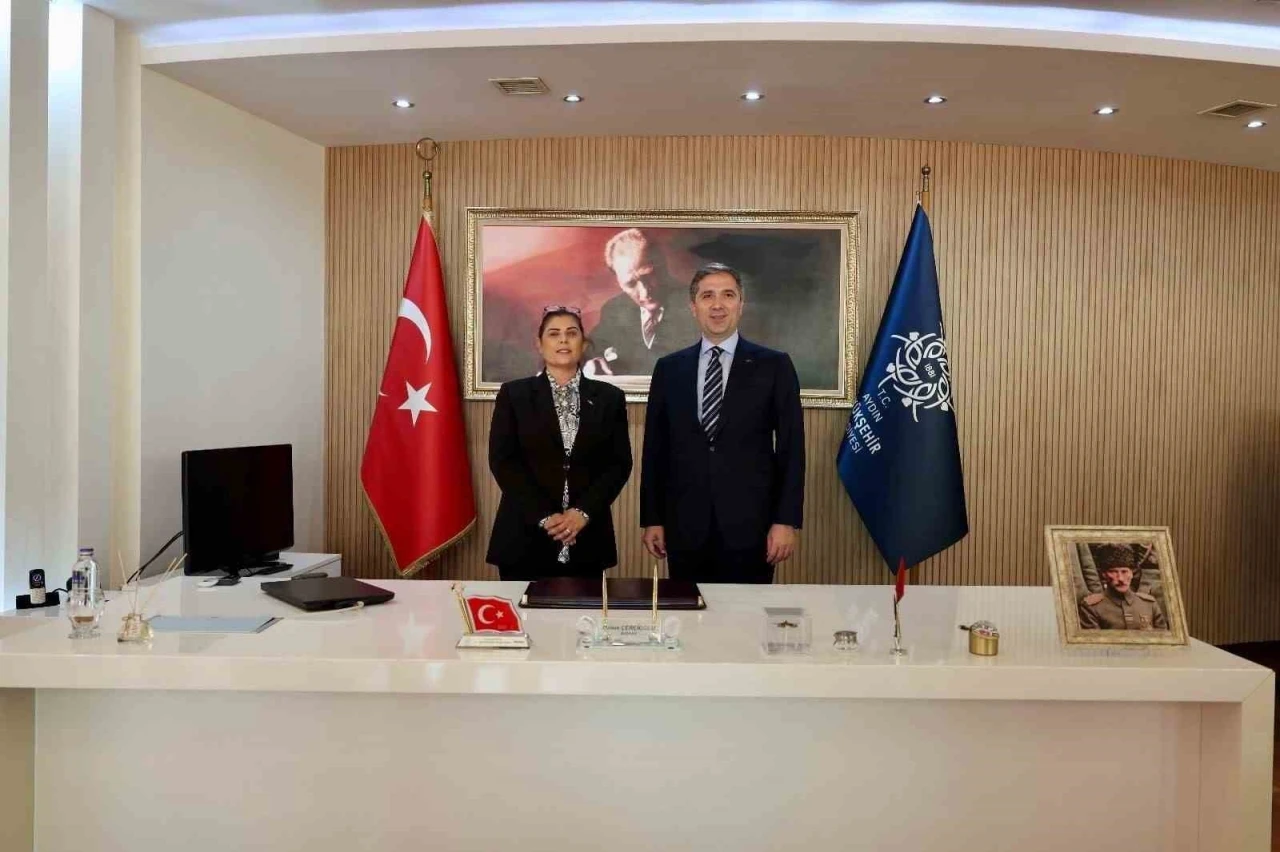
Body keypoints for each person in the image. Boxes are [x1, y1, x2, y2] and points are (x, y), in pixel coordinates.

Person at [639, 263, 805, 584]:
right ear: (693, 307)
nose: (718, 305)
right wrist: (652, 519)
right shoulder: (669, 369)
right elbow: (655, 451)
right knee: (689, 610)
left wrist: (785, 520)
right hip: (684, 527)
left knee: (746, 613)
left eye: (728, 295)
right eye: (707, 296)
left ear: (741, 304)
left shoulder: (774, 366)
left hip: (752, 528)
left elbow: (792, 450)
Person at [486, 307, 633, 580]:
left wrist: (582, 513)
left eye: (571, 333)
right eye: (554, 334)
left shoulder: (609, 397)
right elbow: (503, 461)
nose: (563, 340)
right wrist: (545, 517)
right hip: (524, 536)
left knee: (583, 609)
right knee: (526, 608)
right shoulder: (514, 394)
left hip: (587, 537)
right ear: (539, 344)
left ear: (584, 344)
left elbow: (618, 464)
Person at [588, 228, 697, 376]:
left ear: (662, 265)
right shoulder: (614, 309)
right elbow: (589, 350)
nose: (645, 292)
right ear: (618, 282)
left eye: (648, 276)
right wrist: (592, 362)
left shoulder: (698, 306)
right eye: (631, 284)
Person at [1078, 543, 1168, 630]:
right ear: (1104, 574)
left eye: (1124, 572)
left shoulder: (1149, 604)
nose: (1120, 578)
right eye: (1113, 572)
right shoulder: (1092, 608)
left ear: (1132, 573)